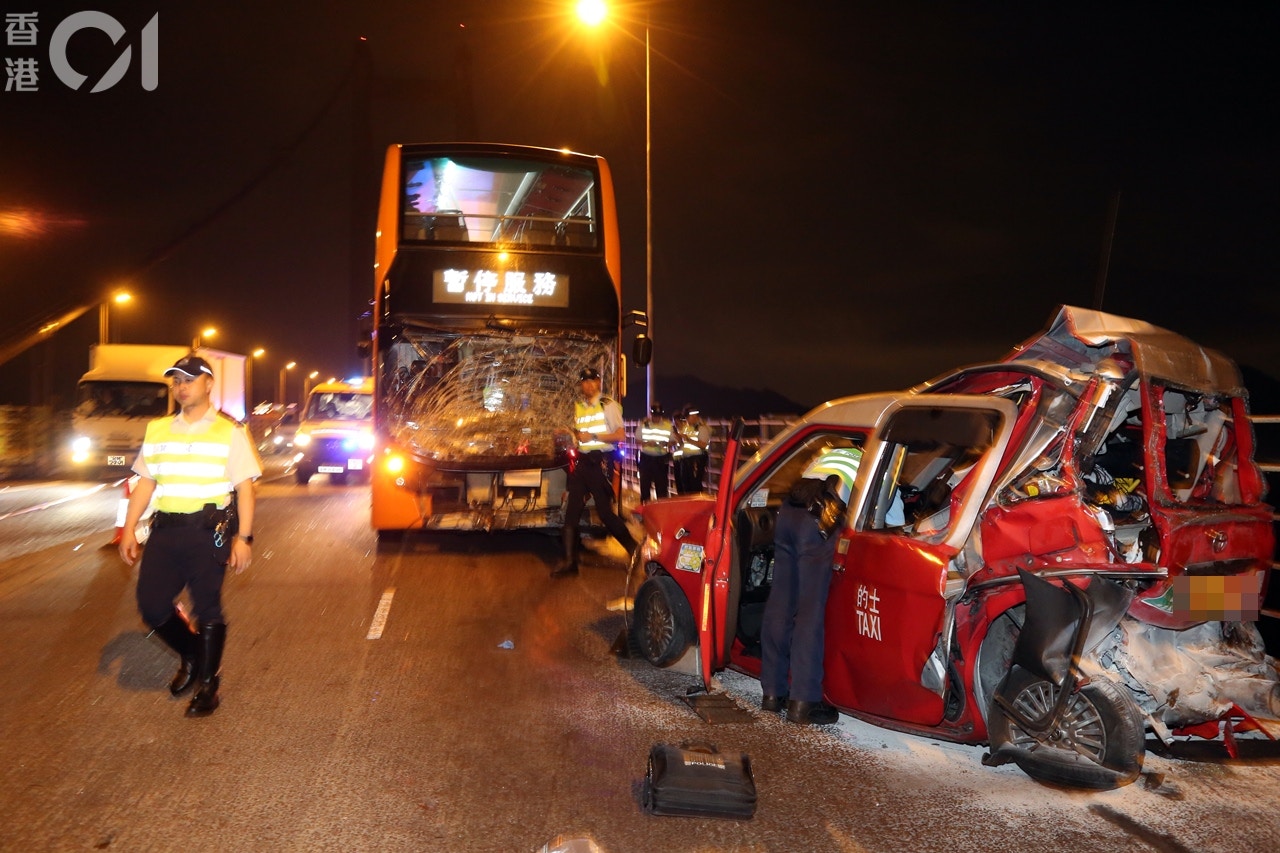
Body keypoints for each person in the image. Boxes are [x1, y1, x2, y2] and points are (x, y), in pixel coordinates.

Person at [118, 354, 262, 717]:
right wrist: (129, 529)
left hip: (207, 533)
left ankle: (208, 687)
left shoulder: (230, 432)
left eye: (189, 380)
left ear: (208, 384)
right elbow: (145, 483)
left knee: (207, 607)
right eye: (176, 381)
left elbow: (245, 489)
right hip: (165, 531)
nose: (181, 387)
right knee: (151, 606)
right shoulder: (158, 430)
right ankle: (194, 654)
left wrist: (243, 538)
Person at [760, 445, 862, 725]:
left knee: (780, 601)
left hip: (789, 514)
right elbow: (891, 521)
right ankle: (804, 701)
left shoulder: (833, 453)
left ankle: (772, 693)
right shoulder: (873, 460)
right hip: (818, 520)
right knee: (810, 611)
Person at [554, 366, 638, 578]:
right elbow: (578, 434)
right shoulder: (579, 407)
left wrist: (592, 437)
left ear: (599, 383)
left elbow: (620, 435)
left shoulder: (607, 405)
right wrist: (567, 434)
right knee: (571, 512)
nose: (589, 384)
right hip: (582, 463)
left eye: (593, 380)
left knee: (605, 514)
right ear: (581, 384)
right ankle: (570, 562)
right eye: (585, 381)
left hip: (600, 462)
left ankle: (635, 552)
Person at [636, 401, 675, 503]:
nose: (657, 417)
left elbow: (673, 441)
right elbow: (637, 440)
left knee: (661, 487)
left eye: (658, 415)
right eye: (655, 415)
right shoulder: (644, 424)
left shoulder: (668, 425)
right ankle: (645, 509)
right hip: (646, 458)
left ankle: (661, 510)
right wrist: (647, 443)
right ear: (651, 414)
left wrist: (666, 444)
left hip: (661, 460)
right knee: (645, 486)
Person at [672, 406, 711, 494]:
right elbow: (683, 445)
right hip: (685, 460)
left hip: (696, 460)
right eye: (691, 416)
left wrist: (688, 439)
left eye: (695, 415)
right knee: (685, 485)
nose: (695, 418)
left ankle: (697, 505)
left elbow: (703, 445)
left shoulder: (701, 428)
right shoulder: (686, 428)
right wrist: (679, 439)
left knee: (695, 486)